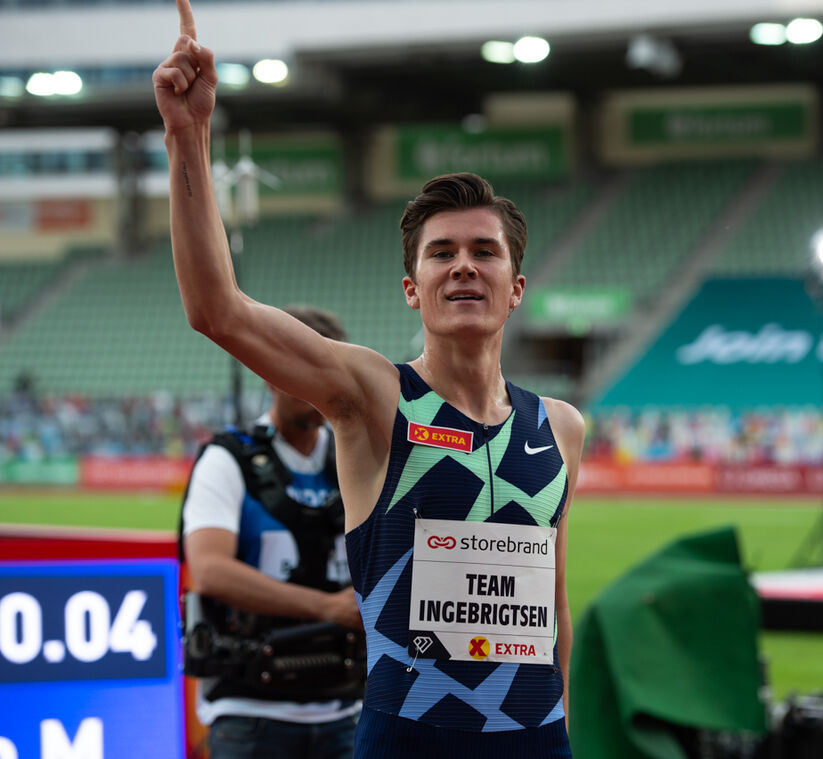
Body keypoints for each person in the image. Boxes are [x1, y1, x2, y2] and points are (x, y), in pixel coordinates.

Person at [154, 3, 584, 756]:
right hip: (406, 735)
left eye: (484, 251)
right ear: (412, 288)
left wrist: (562, 726)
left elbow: (552, 603)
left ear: (516, 287)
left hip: (536, 739)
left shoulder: (561, 428)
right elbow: (218, 310)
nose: (462, 264)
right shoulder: (373, 395)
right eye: (441, 252)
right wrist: (188, 138)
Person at [180, 304, 365, 758]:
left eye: (325, 366)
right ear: (267, 372)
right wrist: (330, 607)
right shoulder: (228, 458)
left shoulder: (362, 458)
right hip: (250, 716)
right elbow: (209, 572)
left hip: (351, 710)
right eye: (297, 364)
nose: (313, 381)